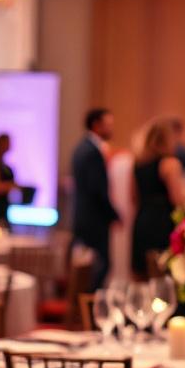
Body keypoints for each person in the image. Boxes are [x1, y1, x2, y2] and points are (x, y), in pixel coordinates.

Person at [131, 119, 185, 278]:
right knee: (163, 276)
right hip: (163, 222)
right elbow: (177, 200)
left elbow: (133, 197)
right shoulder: (170, 163)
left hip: (142, 221)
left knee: (143, 275)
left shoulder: (138, 164)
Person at [71, 108, 120, 291]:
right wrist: (113, 215)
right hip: (93, 220)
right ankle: (91, 310)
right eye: (108, 125)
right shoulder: (91, 152)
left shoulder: (82, 148)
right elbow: (97, 189)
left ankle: (86, 308)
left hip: (85, 218)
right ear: (96, 125)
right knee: (101, 266)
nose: (111, 129)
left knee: (90, 268)